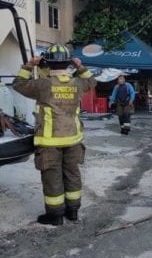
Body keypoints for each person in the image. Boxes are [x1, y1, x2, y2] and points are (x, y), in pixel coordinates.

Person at [12, 44, 96, 226]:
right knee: (72, 174)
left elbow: (18, 84)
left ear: (46, 63)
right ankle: (72, 211)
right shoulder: (78, 84)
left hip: (50, 141)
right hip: (73, 139)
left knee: (52, 177)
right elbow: (92, 82)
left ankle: (55, 215)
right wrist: (80, 67)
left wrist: (29, 65)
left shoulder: (42, 85)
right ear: (69, 63)